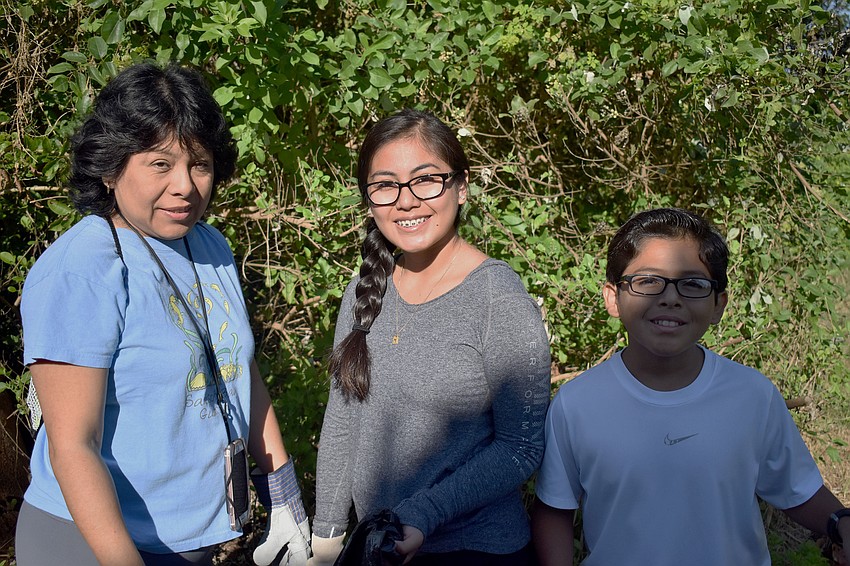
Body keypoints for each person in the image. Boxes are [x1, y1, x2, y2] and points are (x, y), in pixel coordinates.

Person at [15, 62, 310, 566]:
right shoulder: (83, 270)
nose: (185, 186)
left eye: (199, 164)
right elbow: (73, 447)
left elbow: (236, 367)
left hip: (188, 542)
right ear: (111, 168)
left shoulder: (209, 244)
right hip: (90, 545)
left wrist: (281, 490)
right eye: (159, 164)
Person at [531, 207, 850, 565]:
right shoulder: (577, 403)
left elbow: (798, 489)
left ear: (718, 305)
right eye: (648, 281)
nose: (670, 297)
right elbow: (555, 508)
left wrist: (842, 523)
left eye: (693, 284)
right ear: (612, 297)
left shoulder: (752, 395)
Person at [308, 109, 551, 566]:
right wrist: (326, 536)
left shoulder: (498, 299)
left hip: (474, 550)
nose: (406, 201)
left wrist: (423, 513)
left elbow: (521, 448)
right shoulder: (364, 291)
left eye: (425, 180)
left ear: (461, 188)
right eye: (385, 185)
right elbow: (344, 422)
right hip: (379, 548)